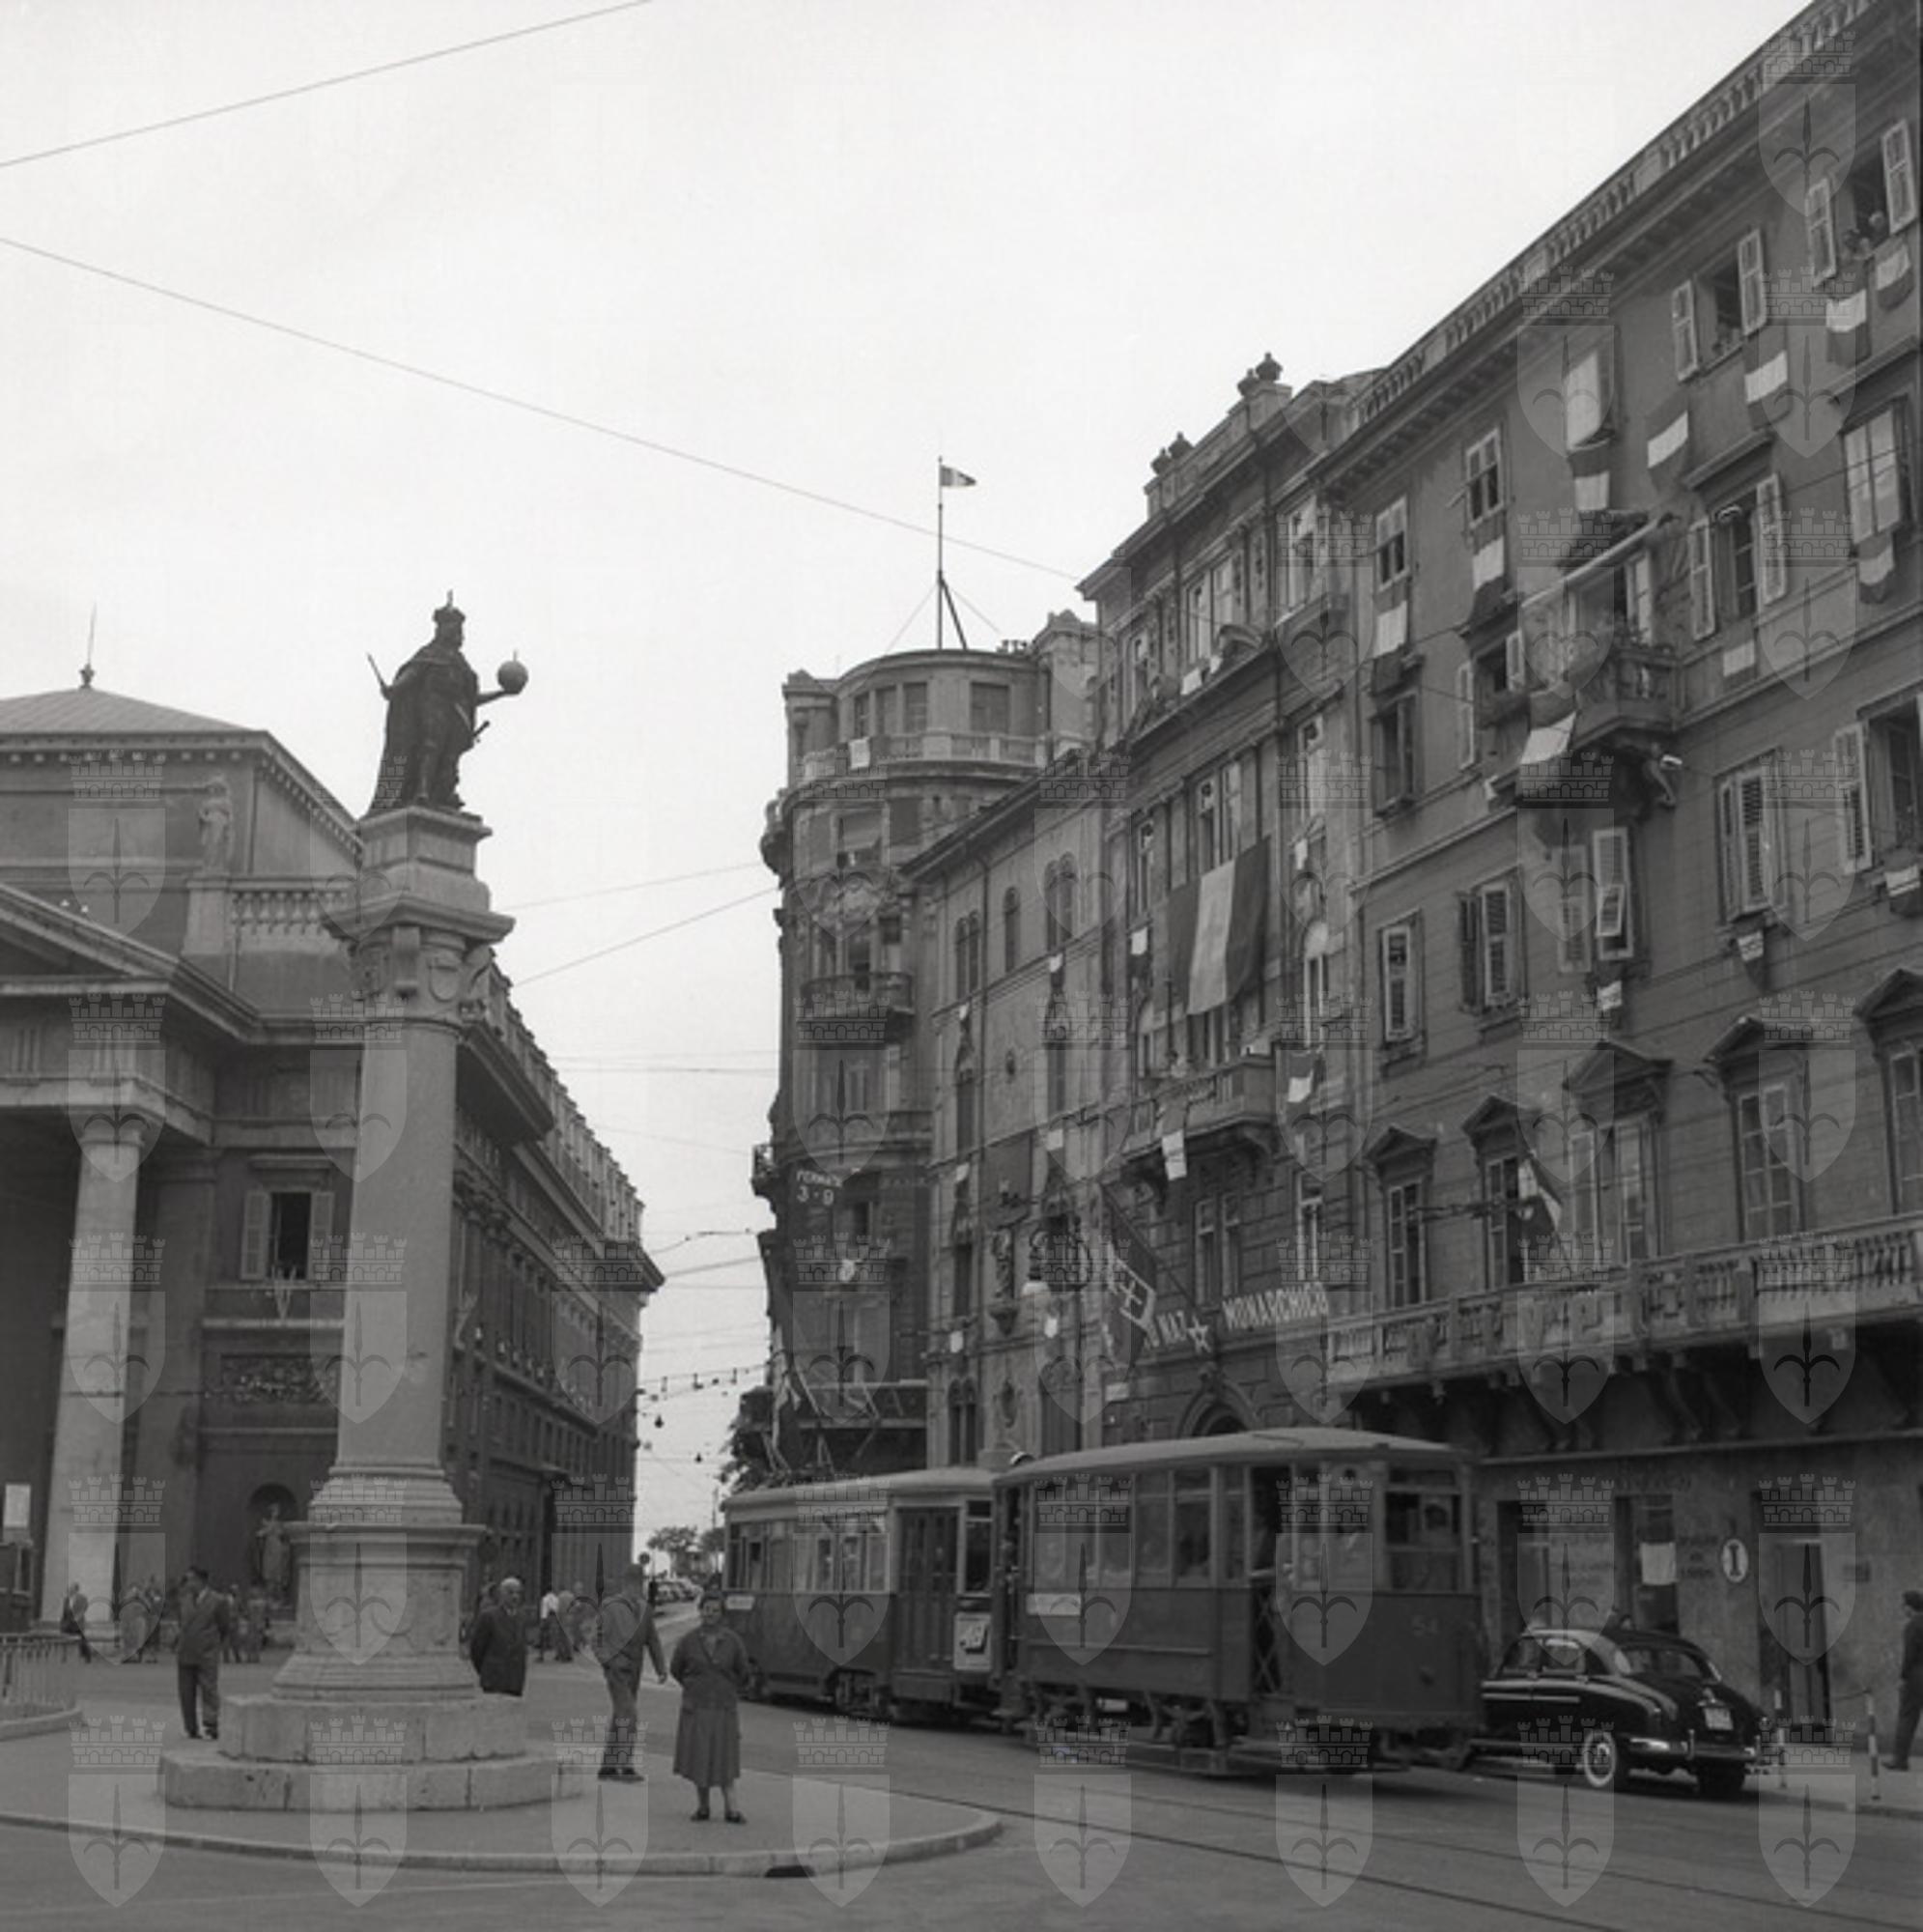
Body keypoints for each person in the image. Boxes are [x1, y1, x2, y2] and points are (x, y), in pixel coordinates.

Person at [670, 1587, 751, 1824]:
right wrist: (693, 1685)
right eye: (706, 1609)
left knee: (725, 1757)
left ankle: (731, 1808)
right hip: (697, 1706)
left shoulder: (733, 1641)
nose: (710, 1614)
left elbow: (744, 1671)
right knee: (700, 1757)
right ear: (700, 1611)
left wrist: (727, 1688)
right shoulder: (688, 1641)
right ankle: (703, 1807)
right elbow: (676, 1668)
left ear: (722, 1614)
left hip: (723, 1707)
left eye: (715, 1610)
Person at [594, 1562, 666, 1782]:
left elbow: (652, 1640)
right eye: (633, 1581)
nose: (636, 1586)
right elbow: (596, 1639)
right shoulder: (610, 1606)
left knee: (621, 1715)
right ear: (624, 1582)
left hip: (635, 1671)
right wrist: (608, 1661)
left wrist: (661, 1668)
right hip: (617, 1671)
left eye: (639, 1581)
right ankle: (624, 1765)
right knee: (629, 1714)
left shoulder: (645, 1610)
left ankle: (608, 1765)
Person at [175, 1568, 231, 1742]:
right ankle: (191, 1727)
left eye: (191, 1579)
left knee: (209, 1689)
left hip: (207, 1652)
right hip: (186, 1651)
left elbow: (224, 1626)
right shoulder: (184, 1600)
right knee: (186, 1691)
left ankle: (211, 1724)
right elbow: (181, 1623)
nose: (188, 1583)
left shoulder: (218, 1601)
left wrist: (213, 1644)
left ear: (201, 1581)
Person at [467, 1577, 527, 1696]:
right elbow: (477, 1649)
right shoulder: (489, 1616)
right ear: (501, 1594)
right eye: (510, 1592)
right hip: (494, 1680)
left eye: (518, 1593)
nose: (515, 1597)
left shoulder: (521, 1617)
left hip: (515, 1680)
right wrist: (487, 1670)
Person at [1888, 1588, 1923, 1771]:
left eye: (1903, 1605)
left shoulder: (1912, 1626)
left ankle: (1900, 1760)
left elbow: (1910, 1655)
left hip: (1916, 1677)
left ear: (1910, 1607)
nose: (1902, 1608)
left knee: (1907, 1718)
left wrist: (1903, 1677)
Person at [60, 1583, 93, 1663]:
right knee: (63, 1637)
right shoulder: (67, 1599)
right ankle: (64, 1656)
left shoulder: (82, 1598)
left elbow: (84, 1608)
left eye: (72, 1589)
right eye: (69, 1589)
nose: (69, 1590)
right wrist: (62, 1622)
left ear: (76, 1590)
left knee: (81, 1638)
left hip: (78, 1623)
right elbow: (64, 1612)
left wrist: (78, 1616)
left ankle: (87, 1655)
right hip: (68, 1623)